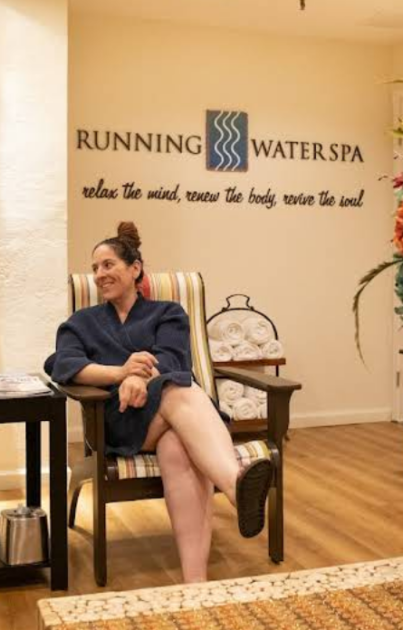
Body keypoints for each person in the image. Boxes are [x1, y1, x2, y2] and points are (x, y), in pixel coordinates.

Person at [45, 221, 273, 583]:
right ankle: (234, 485)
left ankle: (195, 583)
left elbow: (174, 359)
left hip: (172, 417)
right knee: (179, 389)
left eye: (108, 265)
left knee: (177, 446)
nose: (99, 274)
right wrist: (120, 373)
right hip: (118, 420)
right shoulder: (81, 322)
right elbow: (62, 364)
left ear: (135, 269)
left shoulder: (168, 312)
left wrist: (139, 378)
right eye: (95, 268)